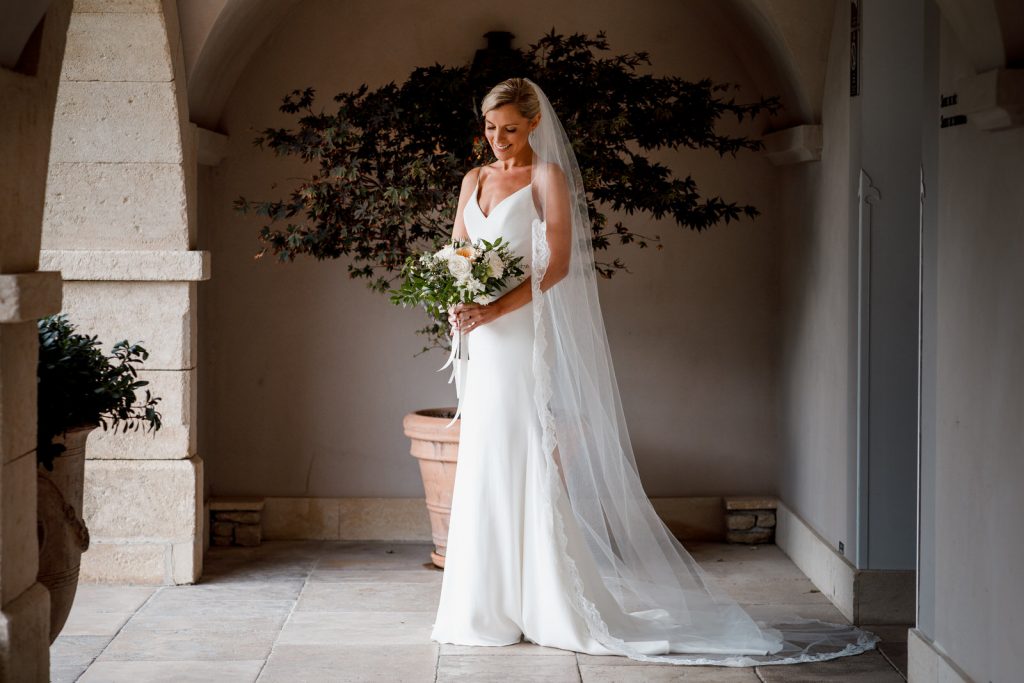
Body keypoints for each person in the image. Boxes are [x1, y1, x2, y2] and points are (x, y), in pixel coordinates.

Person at [430, 77, 877, 666]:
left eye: (509, 127)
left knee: (523, 451)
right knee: (484, 452)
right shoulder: (474, 180)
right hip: (480, 342)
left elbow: (557, 265)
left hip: (517, 334)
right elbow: (459, 251)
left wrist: (493, 307)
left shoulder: (546, 179)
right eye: (490, 128)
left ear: (534, 124)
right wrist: (456, 300)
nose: (497, 139)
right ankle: (481, 605)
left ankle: (542, 601)